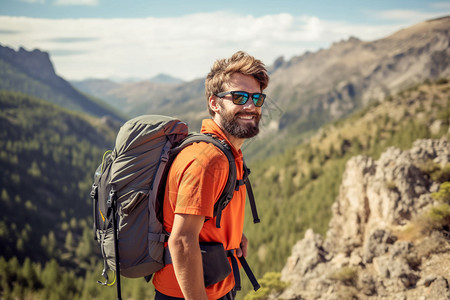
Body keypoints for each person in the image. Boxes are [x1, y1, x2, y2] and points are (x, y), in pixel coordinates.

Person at [152, 51, 270, 300]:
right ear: (214, 103)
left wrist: (234, 234)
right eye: (239, 97)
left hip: (213, 285)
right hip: (190, 293)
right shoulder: (208, 160)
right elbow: (182, 242)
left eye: (257, 98)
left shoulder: (226, 151)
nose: (251, 106)